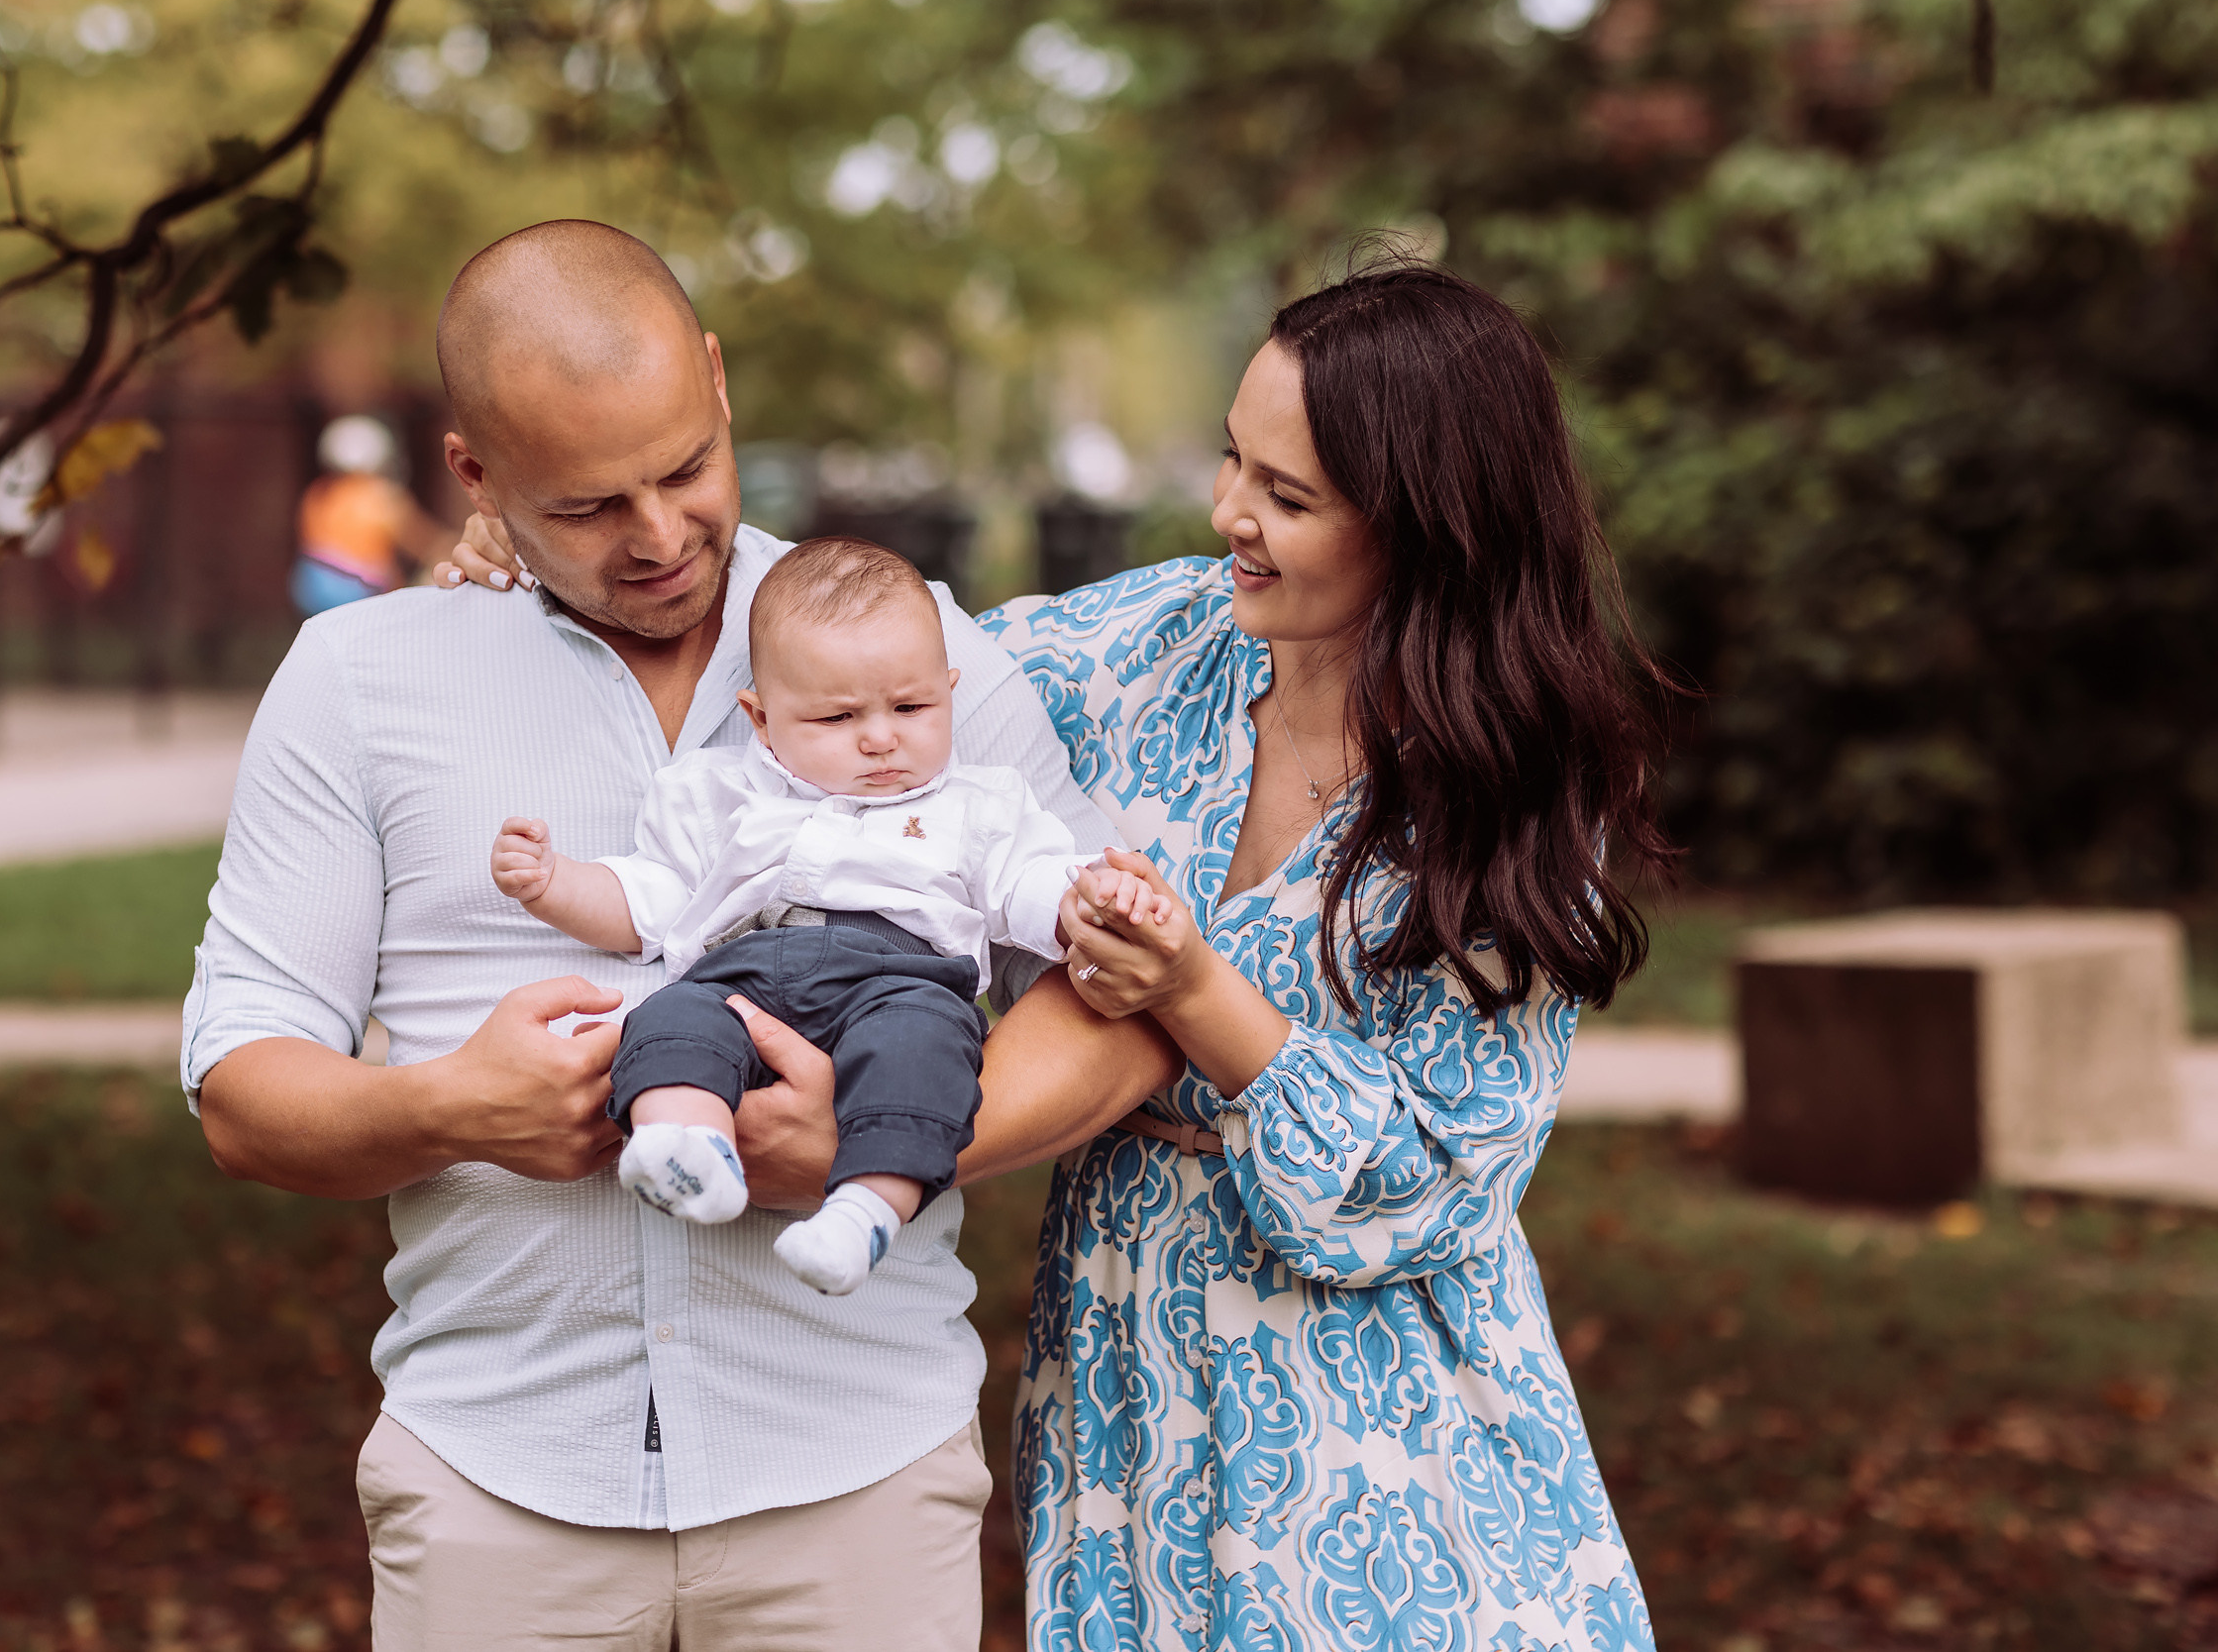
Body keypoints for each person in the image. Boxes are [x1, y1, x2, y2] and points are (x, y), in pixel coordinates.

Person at [435, 256, 1670, 1646]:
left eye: (1289, 496)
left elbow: (1434, 1187)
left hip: (1387, 1421)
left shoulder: (1511, 796)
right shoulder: (1158, 642)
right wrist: (553, 544)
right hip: (1129, 1361)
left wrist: (1200, 994)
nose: (1230, 515)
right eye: (1232, 460)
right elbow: (861, 649)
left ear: (1432, 526)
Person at [186, 220, 1178, 1651]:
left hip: (856, 1473)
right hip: (496, 1484)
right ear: (474, 473)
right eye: (587, 503)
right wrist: (454, 1104)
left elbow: (1119, 1000)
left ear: (716, 384)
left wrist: (887, 1143)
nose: (657, 536)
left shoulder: (915, 659)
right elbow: (239, 1087)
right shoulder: (361, 680)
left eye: (684, 470)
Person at [491, 536, 1160, 1295]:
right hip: (742, 970)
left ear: (949, 689)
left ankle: (867, 1210)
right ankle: (687, 1141)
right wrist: (555, 882)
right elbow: (651, 898)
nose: (881, 737)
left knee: (926, 1061)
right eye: (838, 717)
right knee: (671, 1019)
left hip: (905, 979)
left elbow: (1025, 884)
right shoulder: (719, 794)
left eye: (911, 706)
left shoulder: (978, 803)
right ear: (763, 719)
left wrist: (1084, 902)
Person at [288, 414, 449, 616]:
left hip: (310, 596)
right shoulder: (381, 495)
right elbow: (423, 543)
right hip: (363, 596)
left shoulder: (316, 495)